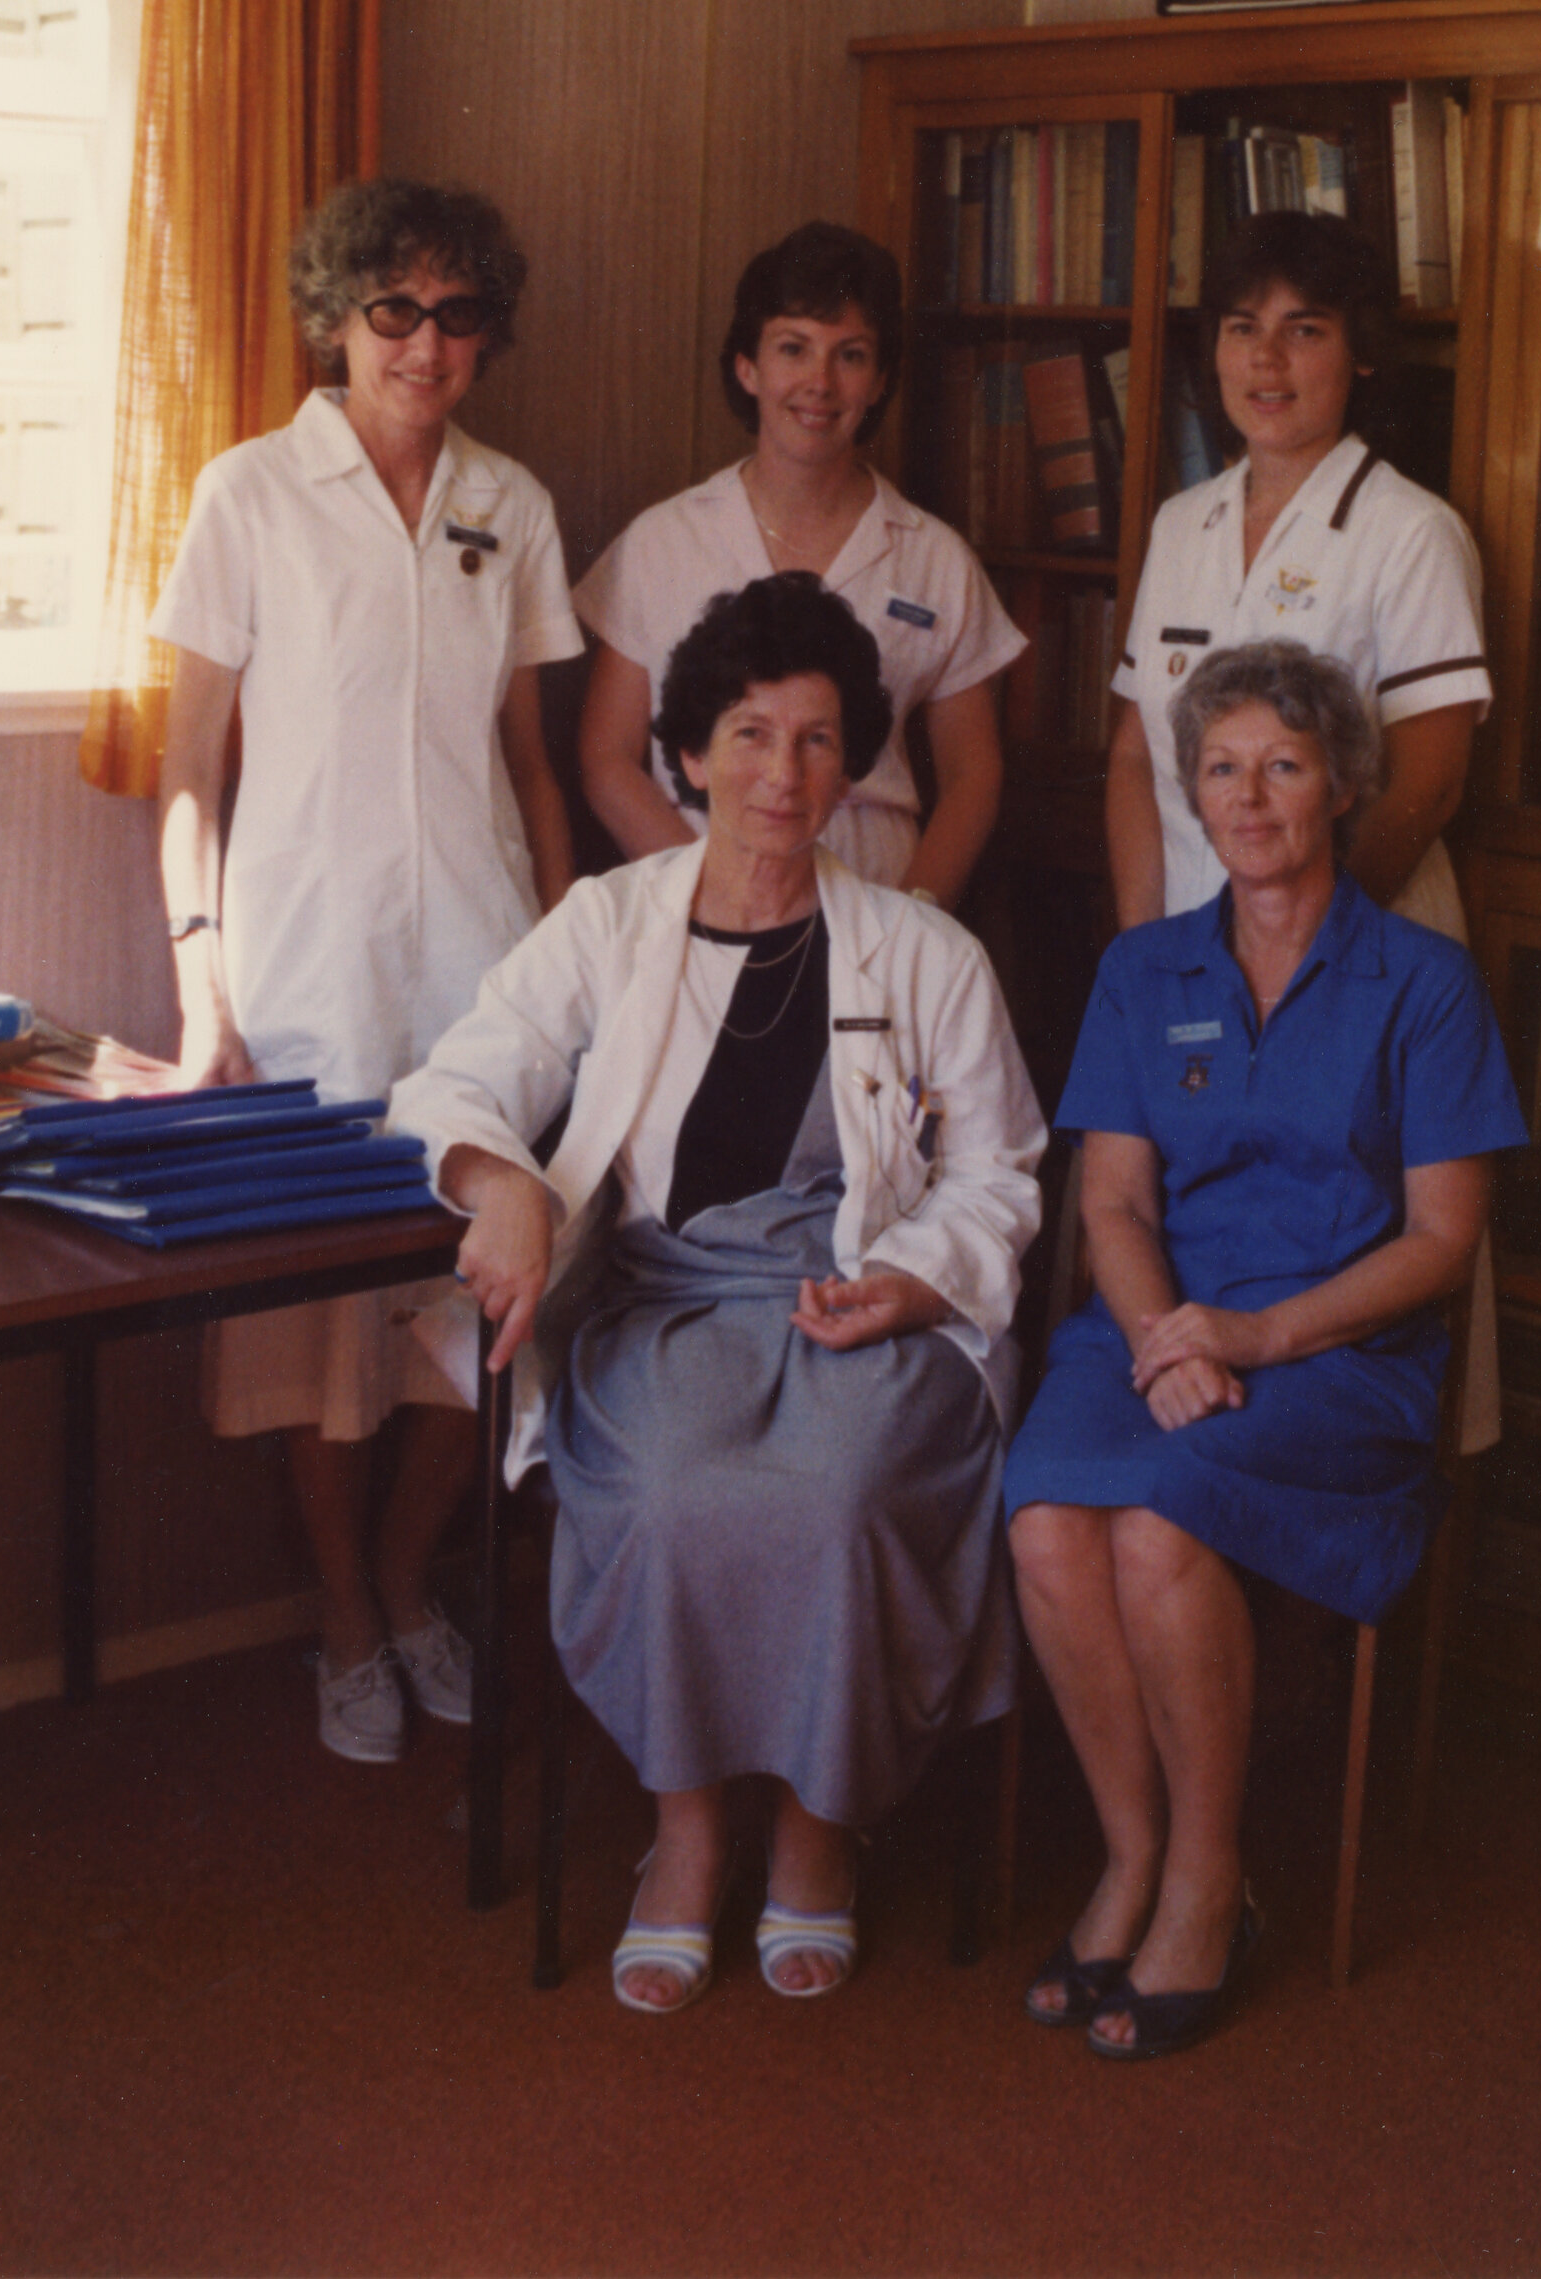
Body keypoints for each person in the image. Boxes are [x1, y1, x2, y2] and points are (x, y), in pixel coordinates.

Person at [389, 575, 1045, 2011]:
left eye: (818, 739)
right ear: (688, 752)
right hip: (665, 1298)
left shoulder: (923, 948)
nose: (782, 773)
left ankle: (820, 1825)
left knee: (849, 1489)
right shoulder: (610, 922)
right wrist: (499, 1176)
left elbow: (1001, 1170)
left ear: (854, 761)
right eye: (749, 734)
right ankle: (685, 1834)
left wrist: (912, 1278)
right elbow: (460, 1073)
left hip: (861, 1299)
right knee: (676, 1488)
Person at [1005, 642, 1525, 2061]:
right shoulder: (1143, 965)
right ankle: (1129, 1851)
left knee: (1161, 1525)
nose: (1250, 795)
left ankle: (1209, 1877)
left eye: (1285, 763)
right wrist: (1170, 1335)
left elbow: (1439, 1242)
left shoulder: (1421, 981)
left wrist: (1256, 1333)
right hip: (1159, 1324)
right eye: (1221, 766)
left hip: (1341, 1353)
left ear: (1344, 784)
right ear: (1190, 789)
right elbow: (1109, 1198)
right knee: (1051, 1517)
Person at [152, 178, 582, 1763]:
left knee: (467, 1335)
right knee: (320, 1343)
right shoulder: (249, 494)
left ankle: (412, 1582)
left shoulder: (510, 503)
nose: (424, 343)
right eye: (393, 309)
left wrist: (556, 968)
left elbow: (531, 767)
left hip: (479, 983)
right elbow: (190, 768)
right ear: (337, 317)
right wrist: (206, 991)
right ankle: (344, 1613)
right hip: (303, 988)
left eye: (457, 314)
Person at [574, 221, 1023, 906]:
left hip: (875, 904)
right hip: (696, 906)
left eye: (850, 355)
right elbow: (607, 757)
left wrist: (912, 918)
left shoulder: (934, 557)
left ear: (878, 382)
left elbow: (973, 774)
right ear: (747, 367)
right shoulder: (662, 541)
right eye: (793, 348)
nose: (819, 382)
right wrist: (708, 894)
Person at [1107, 211, 1491, 935]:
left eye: (1304, 330)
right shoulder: (1180, 525)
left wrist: (1302, 950)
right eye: (1243, 327)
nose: (1266, 360)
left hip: (1355, 956)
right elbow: (1134, 756)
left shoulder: (1412, 532)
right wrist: (1144, 952)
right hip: (1193, 954)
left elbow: (1429, 787)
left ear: (1363, 353)